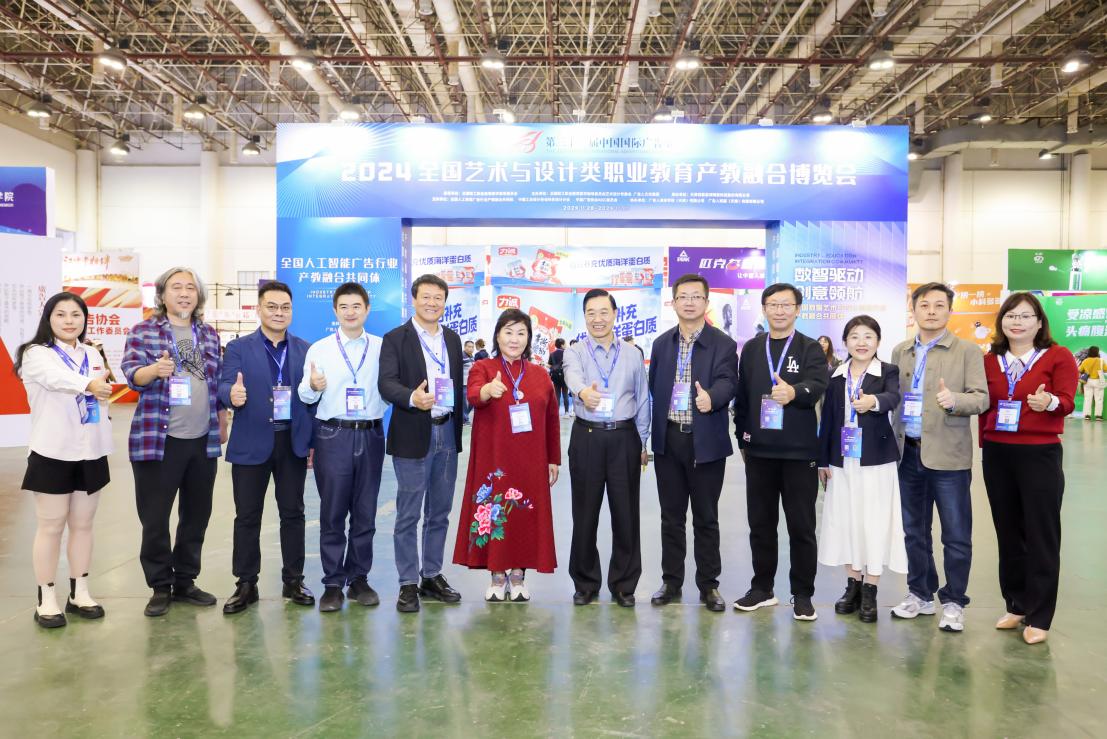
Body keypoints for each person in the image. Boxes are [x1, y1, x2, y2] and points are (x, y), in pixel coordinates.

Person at [122, 267, 227, 617]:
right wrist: (153, 371)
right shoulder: (144, 331)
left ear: (199, 296)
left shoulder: (208, 334)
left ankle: (185, 581)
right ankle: (159, 585)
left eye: (190, 288)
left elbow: (215, 382)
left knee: (196, 515)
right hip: (158, 440)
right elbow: (132, 375)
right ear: (162, 295)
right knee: (155, 518)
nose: (184, 293)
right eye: (176, 287)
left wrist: (222, 419)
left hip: (202, 440)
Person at [890, 282, 989, 633]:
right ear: (913, 310)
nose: (931, 311)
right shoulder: (901, 351)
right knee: (913, 531)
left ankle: (954, 601)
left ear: (950, 310)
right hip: (908, 454)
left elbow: (981, 398)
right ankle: (920, 593)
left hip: (949, 457)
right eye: (924, 305)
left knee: (956, 535)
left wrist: (955, 400)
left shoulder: (967, 351)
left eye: (938, 305)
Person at [980, 292, 1077, 645]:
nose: (1016, 322)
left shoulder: (1058, 356)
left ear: (1039, 323)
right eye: (1010, 315)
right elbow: (982, 402)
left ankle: (1040, 615)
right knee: (1008, 532)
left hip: (1039, 453)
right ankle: (1017, 604)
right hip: (997, 453)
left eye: (1025, 316)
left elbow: (1067, 400)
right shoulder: (990, 360)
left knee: (1041, 533)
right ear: (1001, 321)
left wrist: (1048, 401)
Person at [15, 293, 113, 628]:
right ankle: (46, 598)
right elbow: (55, 378)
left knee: (83, 525)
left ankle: (79, 592)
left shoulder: (92, 353)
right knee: (51, 526)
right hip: (52, 452)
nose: (69, 321)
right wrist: (90, 383)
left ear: (85, 319)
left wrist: (98, 387)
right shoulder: (35, 354)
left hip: (91, 451)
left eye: (76, 314)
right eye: (61, 314)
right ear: (48, 318)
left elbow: (104, 394)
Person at [733, 283, 828, 620]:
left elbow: (818, 384)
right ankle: (762, 588)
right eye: (773, 304)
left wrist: (795, 392)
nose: (780, 310)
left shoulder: (809, 348)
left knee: (801, 527)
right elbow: (743, 396)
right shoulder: (752, 348)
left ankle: (802, 594)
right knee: (760, 524)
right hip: (759, 452)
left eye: (786, 304)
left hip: (799, 453)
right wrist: (742, 438)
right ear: (764, 308)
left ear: (798, 309)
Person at [218, 281, 315, 614]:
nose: (278, 313)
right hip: (251, 442)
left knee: (293, 513)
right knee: (247, 516)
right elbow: (224, 384)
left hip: (291, 443)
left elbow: (311, 399)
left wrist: (312, 440)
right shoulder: (238, 348)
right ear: (258, 309)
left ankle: (293, 580)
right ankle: (246, 583)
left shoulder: (305, 349)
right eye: (271, 306)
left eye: (285, 307)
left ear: (292, 311)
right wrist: (231, 394)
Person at [452, 309, 561, 601]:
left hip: (531, 461)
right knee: (497, 512)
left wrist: (553, 459)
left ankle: (518, 575)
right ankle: (497, 576)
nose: (514, 339)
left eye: (521, 333)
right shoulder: (483, 367)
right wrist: (488, 390)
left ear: (529, 339)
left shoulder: (540, 375)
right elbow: (473, 395)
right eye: (508, 332)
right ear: (498, 336)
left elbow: (552, 419)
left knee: (524, 515)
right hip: (494, 460)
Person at [648, 274, 738, 613]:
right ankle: (671, 581)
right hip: (669, 440)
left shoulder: (722, 344)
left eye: (696, 296)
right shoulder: (662, 344)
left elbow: (729, 382)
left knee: (706, 517)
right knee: (671, 517)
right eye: (683, 296)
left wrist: (712, 397)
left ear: (706, 302)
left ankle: (708, 584)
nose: (689, 302)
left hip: (706, 443)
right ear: (673, 302)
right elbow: (655, 386)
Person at [297, 282, 387, 612]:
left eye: (356, 306)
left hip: (371, 435)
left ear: (367, 309)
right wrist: (312, 385)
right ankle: (333, 583)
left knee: (365, 512)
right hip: (333, 435)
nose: (350, 312)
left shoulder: (381, 348)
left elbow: (391, 387)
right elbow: (304, 394)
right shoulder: (320, 349)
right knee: (333, 512)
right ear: (335, 311)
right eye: (344, 307)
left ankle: (359, 578)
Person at [379, 274, 466, 613]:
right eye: (426, 297)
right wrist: (412, 398)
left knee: (440, 511)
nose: (432, 303)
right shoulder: (395, 338)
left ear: (444, 303)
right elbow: (386, 383)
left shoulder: (453, 340)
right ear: (414, 299)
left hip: (447, 433)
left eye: (438, 298)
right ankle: (407, 582)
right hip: (413, 432)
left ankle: (431, 575)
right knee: (409, 513)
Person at [563, 289, 651, 607]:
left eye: (604, 312)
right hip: (587, 436)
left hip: (624, 438)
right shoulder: (574, 352)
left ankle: (624, 584)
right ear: (584, 316)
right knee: (584, 514)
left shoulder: (632, 354)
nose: (597, 319)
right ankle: (585, 583)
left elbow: (642, 398)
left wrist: (643, 441)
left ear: (615, 315)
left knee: (626, 514)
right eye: (591, 313)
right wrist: (583, 392)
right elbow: (572, 376)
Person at [817, 315, 906, 624]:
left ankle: (871, 588)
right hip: (842, 460)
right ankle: (852, 584)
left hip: (876, 461)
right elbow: (828, 420)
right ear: (845, 342)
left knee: (873, 521)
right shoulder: (835, 375)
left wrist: (873, 401)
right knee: (847, 520)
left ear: (878, 341)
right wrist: (823, 460)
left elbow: (893, 397)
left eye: (869, 336)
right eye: (855, 336)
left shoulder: (888, 371)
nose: (862, 342)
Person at [1079, 346, 1105, 421]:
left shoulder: (1085, 361)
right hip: (1098, 381)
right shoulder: (1101, 361)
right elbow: (1105, 369)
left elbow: (1080, 369)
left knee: (1087, 398)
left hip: (1088, 381)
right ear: (1097, 352)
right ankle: (1098, 416)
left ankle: (1087, 415)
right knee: (1099, 399)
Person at [548, 337, 571, 417]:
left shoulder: (552, 354)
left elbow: (550, 365)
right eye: (565, 344)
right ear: (562, 345)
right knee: (565, 394)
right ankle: (566, 412)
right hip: (565, 376)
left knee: (557, 395)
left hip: (555, 377)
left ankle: (556, 413)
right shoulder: (567, 353)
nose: (566, 345)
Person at [462, 339, 476, 424]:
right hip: (463, 383)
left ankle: (465, 416)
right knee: (464, 402)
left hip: (471, 383)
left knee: (473, 401)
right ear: (465, 347)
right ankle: (465, 419)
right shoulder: (461, 355)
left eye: (472, 347)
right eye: (469, 346)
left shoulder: (472, 357)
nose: (471, 348)